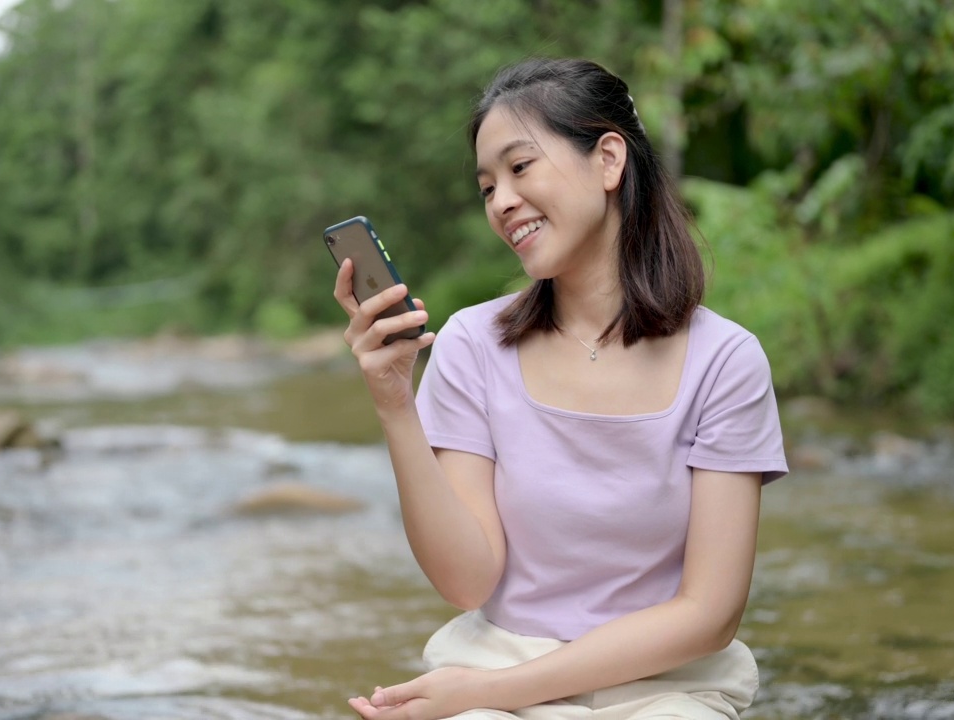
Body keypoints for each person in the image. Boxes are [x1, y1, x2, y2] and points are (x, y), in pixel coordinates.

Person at [332, 57, 788, 720]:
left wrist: (487, 694)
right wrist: (395, 404)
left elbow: (708, 615)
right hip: (498, 662)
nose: (502, 202)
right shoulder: (470, 345)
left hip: (667, 686)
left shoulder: (725, 361)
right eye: (487, 187)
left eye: (520, 168)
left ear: (608, 160)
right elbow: (467, 582)